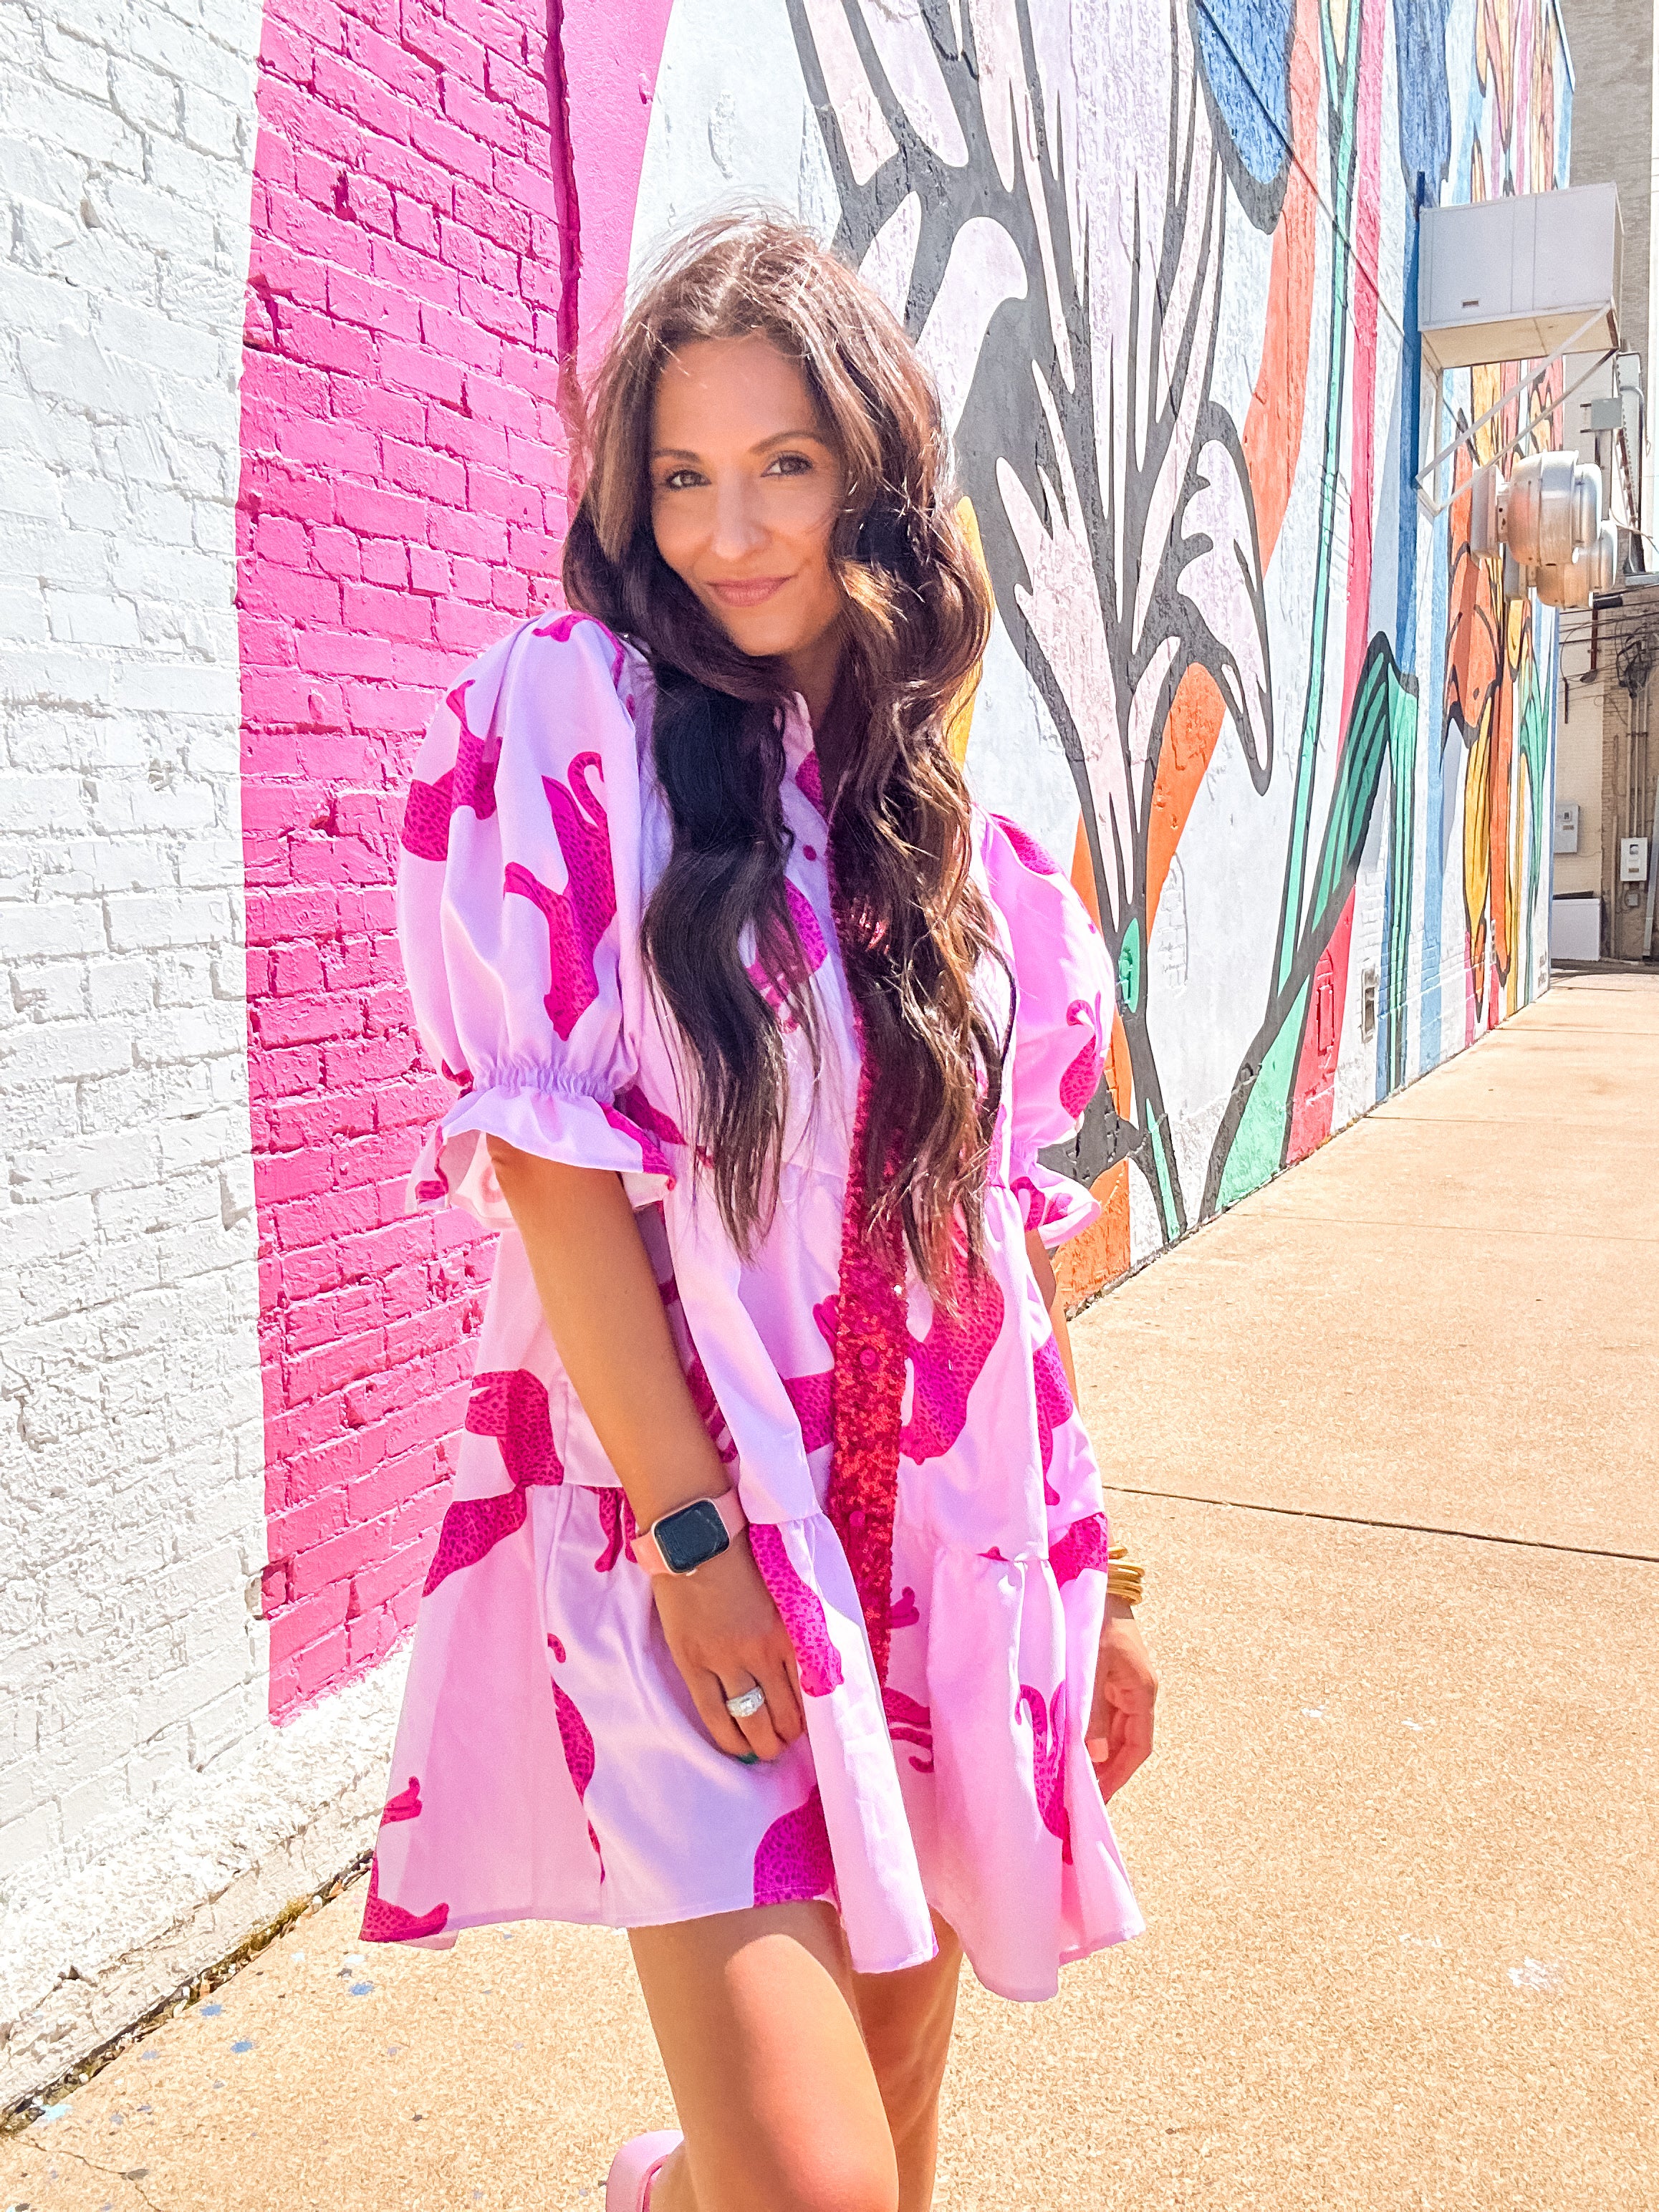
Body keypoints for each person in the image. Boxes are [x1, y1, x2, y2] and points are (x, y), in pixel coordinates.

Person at [368, 213, 1158, 2212]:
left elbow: (986, 1232)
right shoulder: (562, 720)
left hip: (957, 1540)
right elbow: (549, 1172)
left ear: (870, 477)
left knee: (879, 2172)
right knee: (813, 2192)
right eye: (682, 476)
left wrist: (1103, 1577)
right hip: (697, 1544)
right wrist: (695, 1534)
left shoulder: (961, 833)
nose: (730, 531)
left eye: (784, 466)